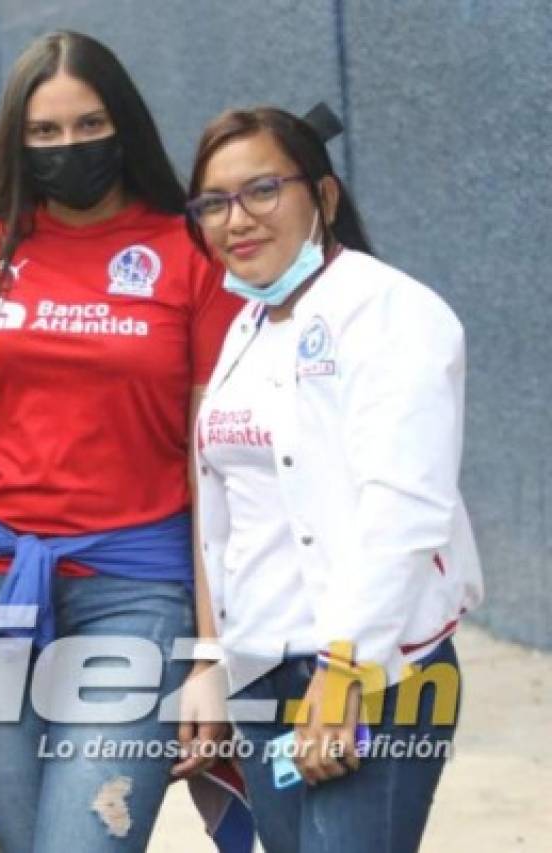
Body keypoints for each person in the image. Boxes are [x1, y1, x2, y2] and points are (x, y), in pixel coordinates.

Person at [0, 30, 243, 852]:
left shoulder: (189, 252)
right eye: (46, 133)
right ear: (17, 143)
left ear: (124, 125)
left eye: (90, 126)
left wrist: (209, 654)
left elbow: (212, 470)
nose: (70, 148)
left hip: (136, 590)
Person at [186, 105, 484, 852]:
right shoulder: (244, 328)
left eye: (261, 190)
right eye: (214, 202)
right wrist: (216, 662)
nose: (237, 220)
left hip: (374, 671)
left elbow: (403, 505)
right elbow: (227, 514)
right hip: (265, 670)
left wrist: (344, 668)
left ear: (321, 195)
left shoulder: (394, 314)